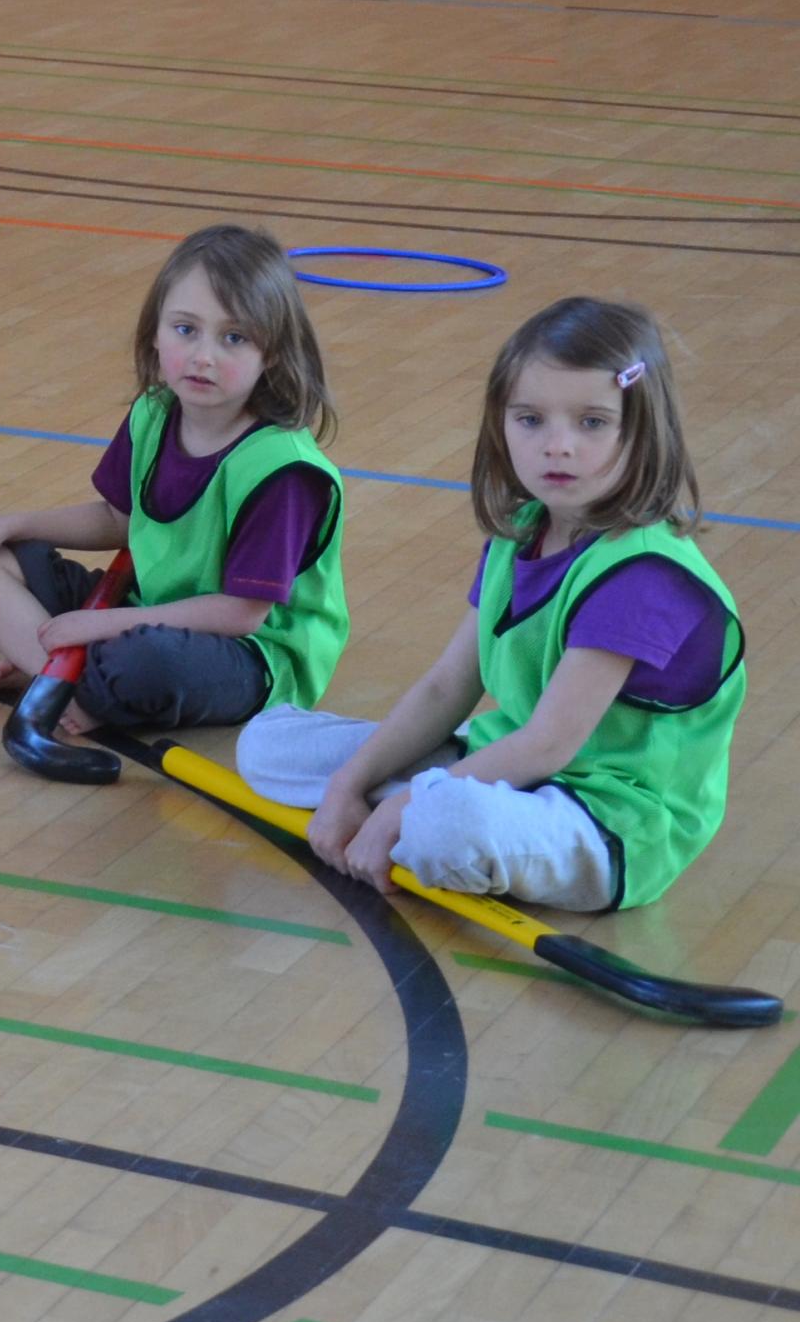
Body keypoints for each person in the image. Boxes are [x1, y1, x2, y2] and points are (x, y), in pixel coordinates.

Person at [240, 299, 745, 912]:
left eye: (592, 422)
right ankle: (413, 806)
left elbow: (548, 746)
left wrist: (404, 805)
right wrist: (350, 784)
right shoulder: (523, 530)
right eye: (530, 419)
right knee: (267, 744)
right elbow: (445, 688)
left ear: (641, 430)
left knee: (442, 823)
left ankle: (423, 813)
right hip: (507, 760)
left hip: (613, 821)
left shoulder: (642, 574)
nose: (557, 446)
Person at [0, 224, 348, 736]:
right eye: (185, 329)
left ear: (270, 353)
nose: (203, 356)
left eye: (234, 337)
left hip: (251, 653)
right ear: (155, 332)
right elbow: (118, 518)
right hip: (149, 611)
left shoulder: (282, 471)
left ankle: (61, 679)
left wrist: (103, 624)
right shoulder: (153, 413)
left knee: (146, 662)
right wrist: (10, 525)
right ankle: (70, 684)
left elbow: (242, 613)